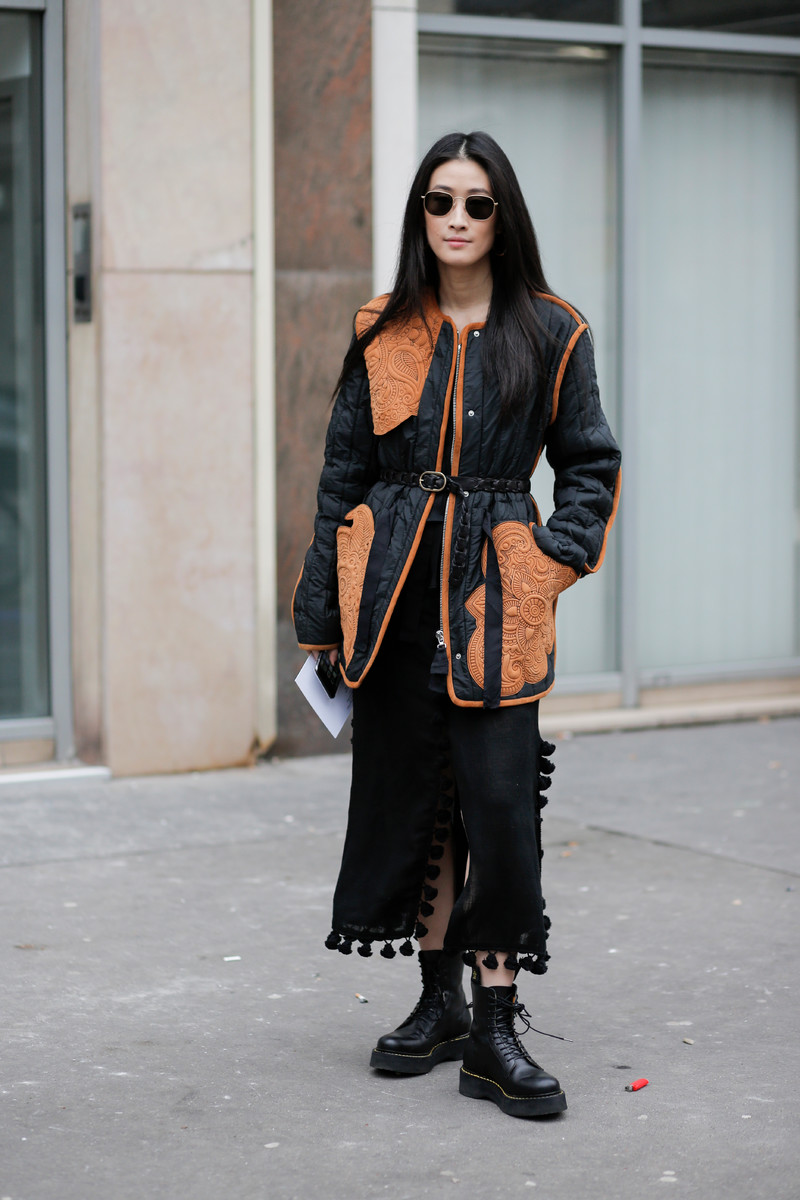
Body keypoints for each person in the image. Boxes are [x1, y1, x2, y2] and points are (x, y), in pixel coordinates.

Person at [292, 131, 620, 1118]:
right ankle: (439, 1004)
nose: (458, 220)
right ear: (420, 214)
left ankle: (496, 1027)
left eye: (477, 203)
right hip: (392, 594)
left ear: (501, 216)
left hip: (494, 598)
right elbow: (342, 473)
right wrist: (320, 610)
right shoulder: (383, 327)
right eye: (440, 201)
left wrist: (544, 561)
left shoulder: (552, 330)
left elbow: (590, 465)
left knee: (498, 805)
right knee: (419, 799)